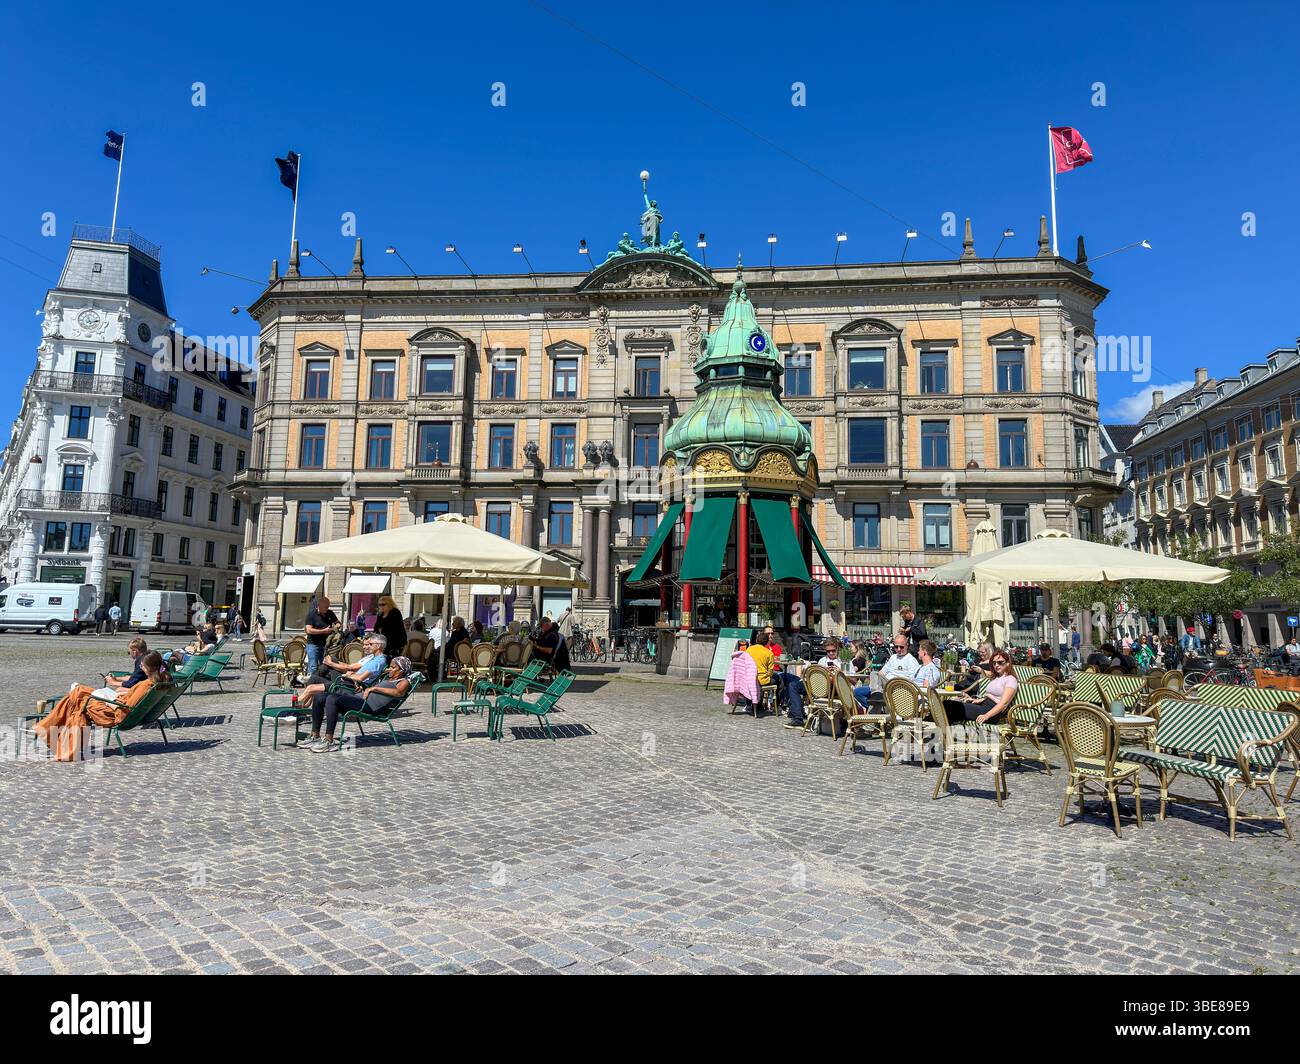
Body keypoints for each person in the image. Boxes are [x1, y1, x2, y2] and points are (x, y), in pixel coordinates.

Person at [34, 651, 169, 762]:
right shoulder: (156, 682)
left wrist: (110, 699)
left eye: (142, 666)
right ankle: (59, 742)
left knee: (78, 700)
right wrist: (124, 692)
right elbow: (135, 698)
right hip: (120, 707)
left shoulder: (146, 684)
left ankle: (53, 736)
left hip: (115, 712)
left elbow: (126, 707)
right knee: (78, 697)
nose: (141, 667)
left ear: (148, 668)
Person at [300, 655, 419, 752]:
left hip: (368, 706)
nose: (389, 669)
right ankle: (314, 735)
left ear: (401, 671)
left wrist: (374, 689)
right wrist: (363, 689)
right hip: (360, 699)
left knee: (332, 698)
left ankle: (329, 740)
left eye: (393, 668)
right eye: (390, 667)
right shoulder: (389, 679)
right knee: (319, 696)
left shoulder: (403, 681)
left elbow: (399, 693)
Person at [297, 633, 388, 708]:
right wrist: (349, 673)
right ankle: (301, 708)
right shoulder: (374, 658)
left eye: (370, 644)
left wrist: (348, 675)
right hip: (347, 682)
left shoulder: (378, 661)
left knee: (311, 688)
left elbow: (360, 678)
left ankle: (293, 710)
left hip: (350, 686)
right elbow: (355, 671)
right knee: (313, 680)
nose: (368, 646)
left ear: (378, 646)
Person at [940, 648, 1018, 725]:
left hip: (992, 712)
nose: (996, 665)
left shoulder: (1011, 680)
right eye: (994, 663)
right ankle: (947, 733)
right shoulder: (997, 677)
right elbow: (992, 695)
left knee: (950, 706)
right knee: (947, 704)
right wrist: (980, 699)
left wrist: (987, 715)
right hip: (983, 705)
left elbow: (1003, 703)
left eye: (1000, 662)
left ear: (1008, 663)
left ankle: (945, 733)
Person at [303, 594, 341, 678]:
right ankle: (311, 683)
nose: (327, 609)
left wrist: (336, 626)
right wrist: (324, 631)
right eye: (325, 607)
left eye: (328, 607)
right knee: (313, 666)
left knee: (323, 665)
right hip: (313, 644)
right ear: (319, 606)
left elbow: (338, 623)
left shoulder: (330, 613)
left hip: (326, 645)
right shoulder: (311, 615)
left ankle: (321, 681)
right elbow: (309, 630)